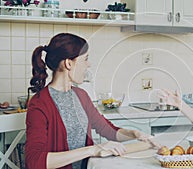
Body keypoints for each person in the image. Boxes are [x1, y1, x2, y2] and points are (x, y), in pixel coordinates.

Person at [25, 33, 158, 169]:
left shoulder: (81, 95)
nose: (88, 65)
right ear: (68, 63)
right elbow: (35, 162)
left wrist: (134, 134)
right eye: (85, 59)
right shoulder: (39, 104)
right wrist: (93, 150)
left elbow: (107, 130)